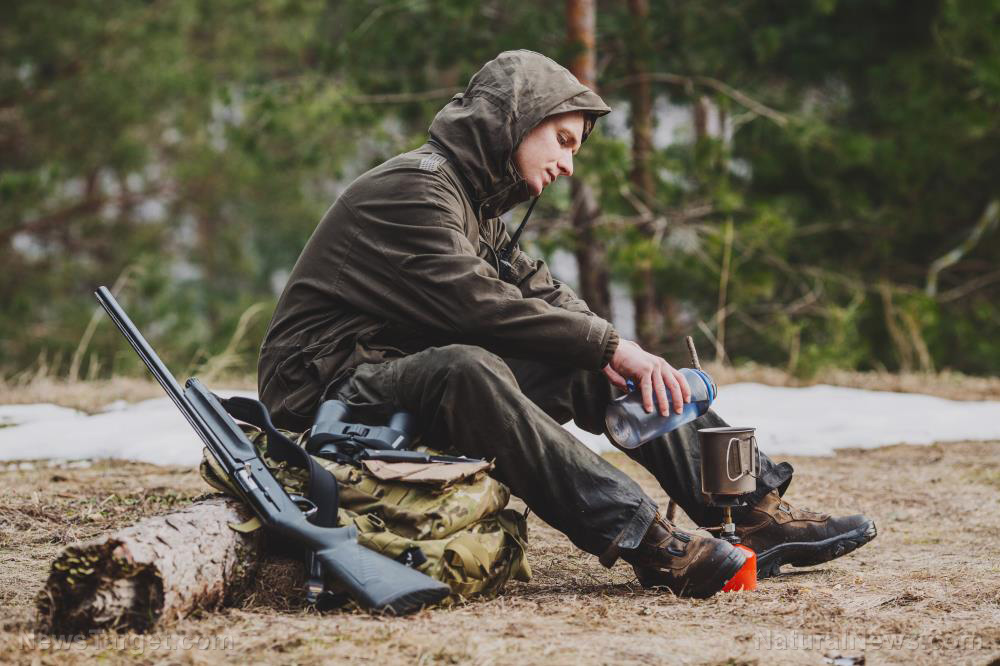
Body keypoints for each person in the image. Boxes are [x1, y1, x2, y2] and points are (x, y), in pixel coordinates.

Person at [258, 50, 876, 598]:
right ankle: (652, 543)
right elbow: (477, 305)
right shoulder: (413, 192)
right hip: (323, 391)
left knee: (586, 359)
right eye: (562, 141)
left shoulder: (475, 206)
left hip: (391, 373)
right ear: (513, 121)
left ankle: (748, 510)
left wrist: (617, 351)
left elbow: (541, 292)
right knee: (469, 368)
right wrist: (609, 345)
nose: (568, 165)